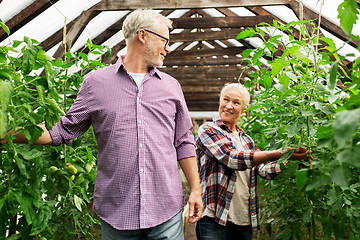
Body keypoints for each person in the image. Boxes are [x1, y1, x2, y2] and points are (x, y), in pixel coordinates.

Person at [0, 9, 203, 240]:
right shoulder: (95, 83)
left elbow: (184, 141)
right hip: (117, 211)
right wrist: (8, 133)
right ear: (143, 35)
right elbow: (61, 132)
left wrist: (195, 190)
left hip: (165, 208)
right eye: (165, 40)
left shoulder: (171, 86)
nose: (168, 48)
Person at [195, 83, 309, 240]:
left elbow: (263, 170)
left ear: (244, 109)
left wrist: (290, 160)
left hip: (243, 219)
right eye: (225, 100)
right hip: (215, 217)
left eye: (236, 102)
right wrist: (277, 153)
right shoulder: (208, 130)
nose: (228, 106)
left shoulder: (247, 140)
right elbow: (231, 158)